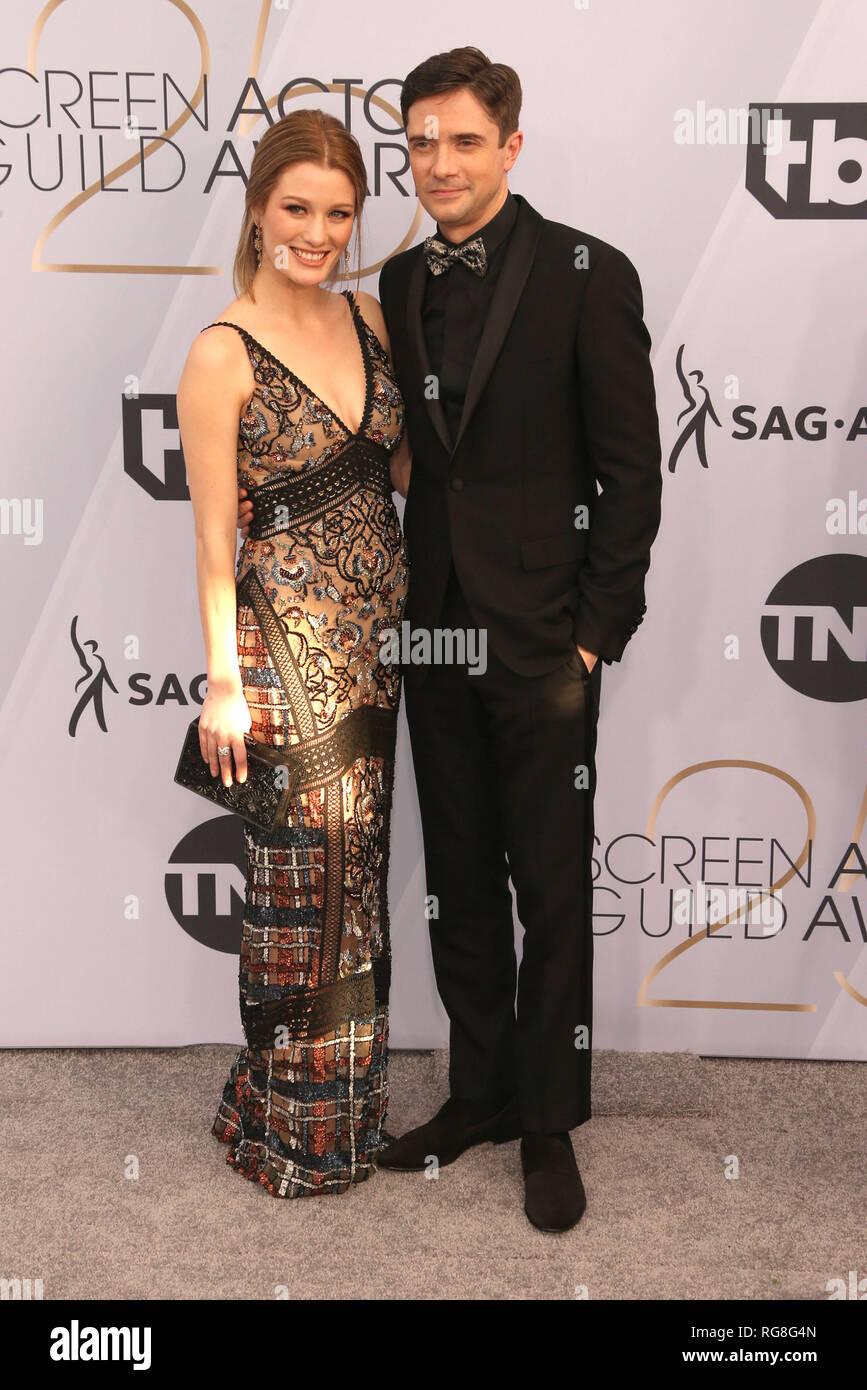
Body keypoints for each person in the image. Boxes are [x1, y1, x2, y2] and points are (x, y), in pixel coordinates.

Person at [238, 48, 662, 1232]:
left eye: (464, 141)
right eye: (421, 144)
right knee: (461, 880)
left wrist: (592, 637)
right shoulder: (403, 285)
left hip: (543, 644)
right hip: (431, 636)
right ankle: (476, 1091)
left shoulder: (589, 272)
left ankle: (547, 1120)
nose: (439, 163)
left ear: (511, 147)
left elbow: (630, 472)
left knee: (552, 888)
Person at [177, 108, 411, 1199]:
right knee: (297, 898)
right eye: (297, 210)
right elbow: (214, 539)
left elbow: (401, 472)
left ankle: (336, 1115)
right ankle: (289, 1134)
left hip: (374, 653)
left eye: (339, 213)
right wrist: (223, 681)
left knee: (354, 889)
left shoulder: (367, 315)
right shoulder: (219, 353)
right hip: (281, 655)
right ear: (260, 208)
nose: (318, 233)